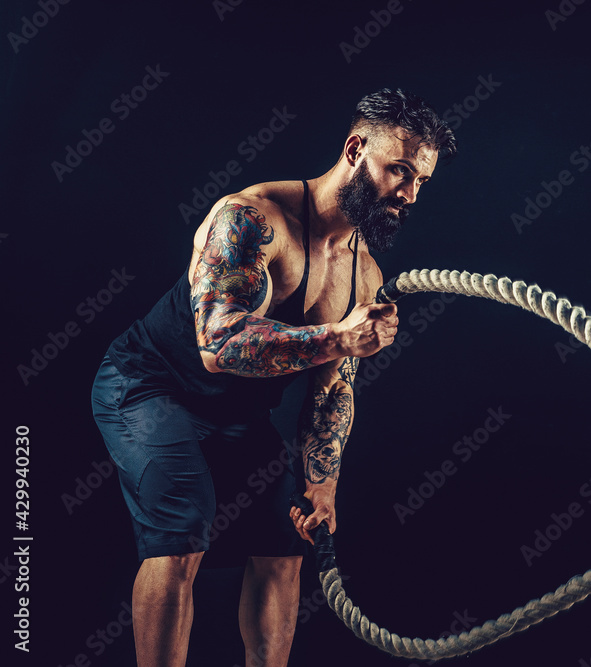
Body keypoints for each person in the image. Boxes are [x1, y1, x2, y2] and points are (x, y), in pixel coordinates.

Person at [91, 88, 457, 666]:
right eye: (400, 172)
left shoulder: (364, 273)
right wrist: (337, 336)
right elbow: (220, 344)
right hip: (148, 386)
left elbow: (333, 390)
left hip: (236, 415)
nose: (409, 194)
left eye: (421, 182)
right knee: (184, 523)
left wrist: (324, 483)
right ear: (356, 149)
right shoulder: (253, 220)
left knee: (284, 541)